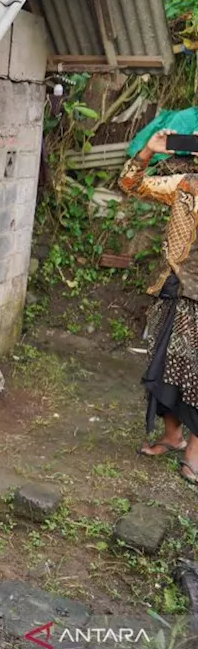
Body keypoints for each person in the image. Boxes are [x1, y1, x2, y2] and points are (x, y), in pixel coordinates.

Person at [120, 130, 198, 483]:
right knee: (162, 365)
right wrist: (148, 151)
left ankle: (194, 453)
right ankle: (172, 436)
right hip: (174, 287)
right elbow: (129, 183)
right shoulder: (185, 184)